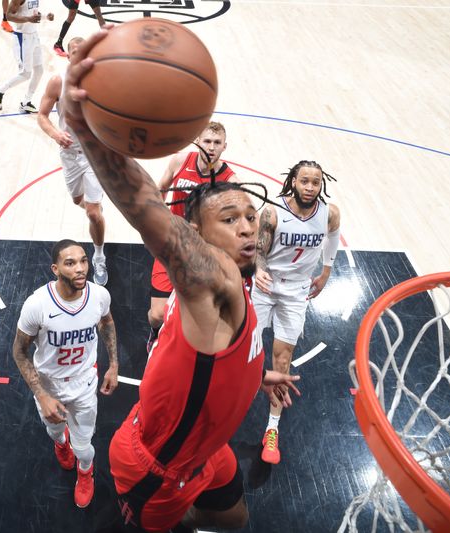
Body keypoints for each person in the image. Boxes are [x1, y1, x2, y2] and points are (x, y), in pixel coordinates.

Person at [60, 27, 301, 533]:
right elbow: (149, 209)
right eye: (229, 218)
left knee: (235, 520)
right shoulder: (213, 276)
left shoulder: (233, 284)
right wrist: (83, 126)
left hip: (208, 450)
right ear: (195, 233)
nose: (247, 227)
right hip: (156, 467)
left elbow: (220, 349)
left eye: (250, 217)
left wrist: (253, 376)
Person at [12, 239, 119, 508]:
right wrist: (41, 395)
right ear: (55, 269)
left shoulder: (98, 296)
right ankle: (61, 443)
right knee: (55, 432)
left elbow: (106, 321)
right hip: (49, 386)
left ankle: (85, 473)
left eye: (83, 261)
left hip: (84, 383)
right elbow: (19, 352)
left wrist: (114, 365)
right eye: (70, 263)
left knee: (84, 447)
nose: (81, 268)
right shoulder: (37, 305)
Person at [252, 160, 340, 465]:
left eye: (315, 182)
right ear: (293, 181)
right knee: (244, 349)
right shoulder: (273, 211)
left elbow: (333, 239)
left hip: (298, 291)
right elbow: (259, 250)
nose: (310, 187)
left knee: (283, 358)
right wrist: (259, 269)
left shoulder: (329, 213)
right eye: (304, 181)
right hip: (266, 286)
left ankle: (272, 429)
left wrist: (327, 271)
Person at [147, 122, 235, 350]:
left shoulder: (231, 181)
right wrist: (156, 216)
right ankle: (155, 332)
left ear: (225, 146)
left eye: (217, 143)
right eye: (207, 141)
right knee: (157, 314)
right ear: (197, 141)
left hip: (204, 254)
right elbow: (162, 188)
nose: (211, 147)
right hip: (171, 244)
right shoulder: (179, 161)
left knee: (199, 318)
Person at [37, 37, 108, 286]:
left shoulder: (101, 80)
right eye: (73, 51)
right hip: (69, 155)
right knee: (79, 201)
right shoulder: (58, 81)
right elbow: (42, 115)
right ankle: (94, 203)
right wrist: (55, 133)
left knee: (93, 213)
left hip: (93, 155)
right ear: (68, 55)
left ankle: (99, 256)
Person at [0, 0, 53, 113]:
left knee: (39, 70)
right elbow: (9, 15)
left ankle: (26, 102)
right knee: (25, 74)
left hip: (34, 35)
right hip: (22, 38)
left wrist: (45, 17)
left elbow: (31, 12)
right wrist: (27, 19)